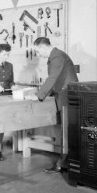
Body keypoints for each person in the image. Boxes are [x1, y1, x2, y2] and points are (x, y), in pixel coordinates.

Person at [33, 36, 79, 173]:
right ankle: (66, 162)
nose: (38, 55)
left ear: (43, 47)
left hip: (67, 96)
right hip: (64, 95)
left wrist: (39, 95)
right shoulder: (56, 56)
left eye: (38, 51)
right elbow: (58, 78)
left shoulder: (57, 56)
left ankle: (65, 163)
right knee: (66, 131)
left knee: (67, 131)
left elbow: (52, 77)